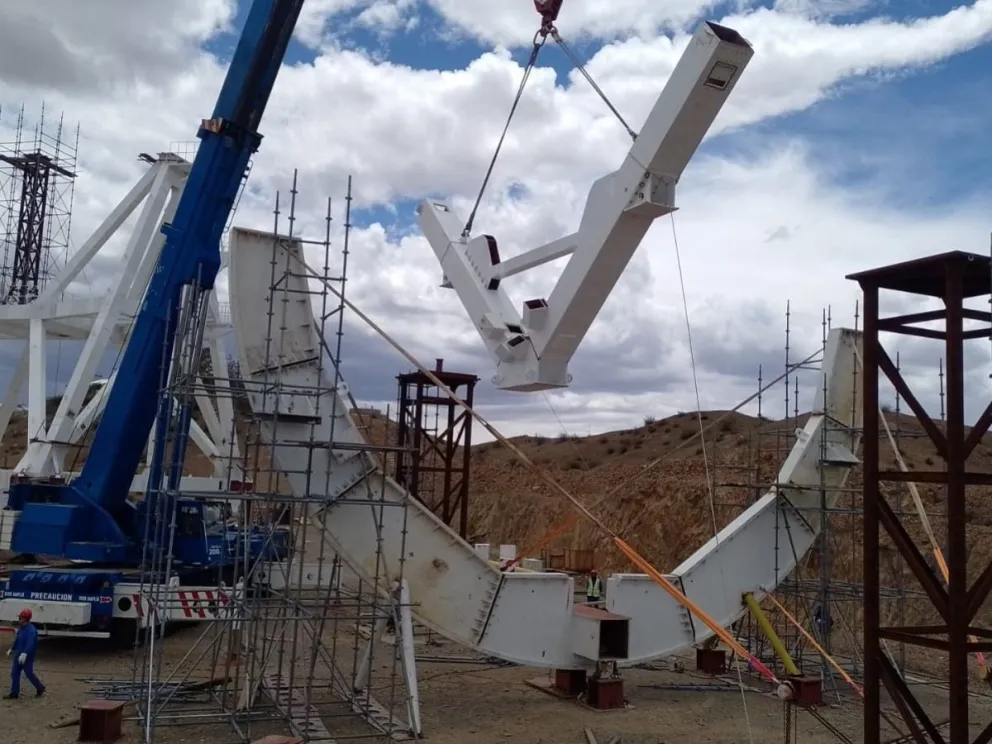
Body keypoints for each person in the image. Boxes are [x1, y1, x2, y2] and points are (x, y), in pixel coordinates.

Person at [5, 609, 44, 700]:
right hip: (18, 654)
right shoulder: (21, 629)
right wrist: (12, 648)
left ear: (25, 619)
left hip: (27, 656)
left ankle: (40, 687)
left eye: (20, 618)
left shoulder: (31, 631)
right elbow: (18, 640)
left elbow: (30, 643)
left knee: (29, 673)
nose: (19, 619)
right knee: (14, 673)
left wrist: (25, 653)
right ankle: (14, 693)